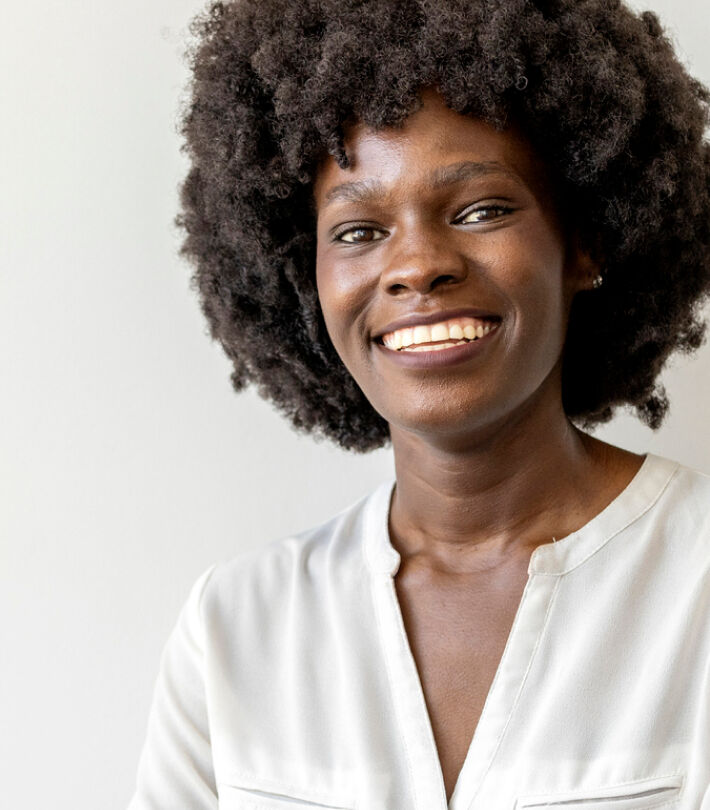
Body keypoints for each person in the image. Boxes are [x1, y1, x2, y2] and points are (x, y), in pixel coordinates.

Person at [128, 1, 710, 808]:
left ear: (585, 242)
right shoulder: (236, 628)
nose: (417, 266)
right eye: (358, 230)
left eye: (481, 210)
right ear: (305, 274)